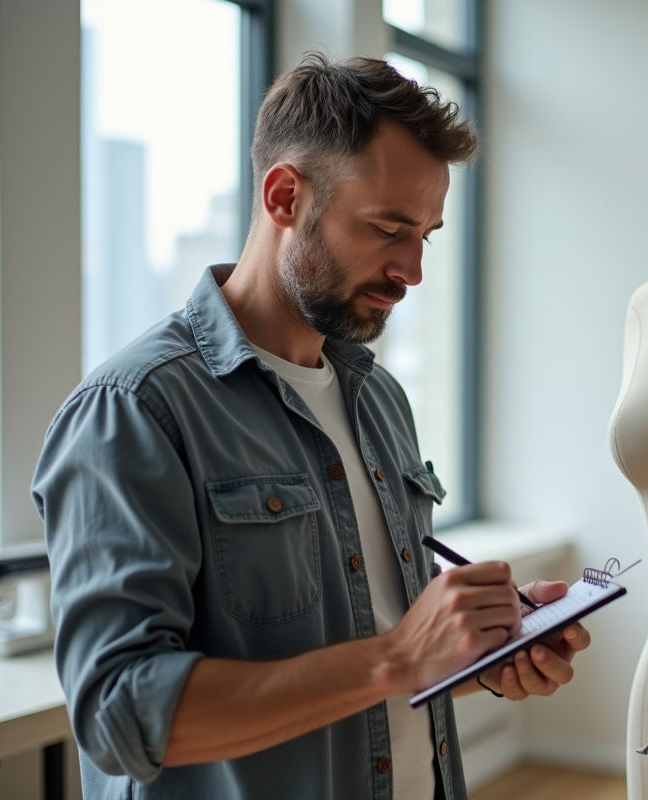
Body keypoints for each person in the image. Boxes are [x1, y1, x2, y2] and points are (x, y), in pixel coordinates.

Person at [32, 54, 590, 800]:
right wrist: (397, 656)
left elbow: (381, 657)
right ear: (285, 196)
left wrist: (473, 653)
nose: (413, 270)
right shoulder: (135, 410)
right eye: (390, 229)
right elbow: (119, 715)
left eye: (426, 233)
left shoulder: (380, 397)